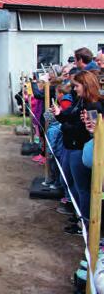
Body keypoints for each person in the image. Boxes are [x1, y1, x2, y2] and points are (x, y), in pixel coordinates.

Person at [51, 70, 104, 232]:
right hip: (74, 147)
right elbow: (74, 119)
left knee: (82, 189)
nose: (74, 89)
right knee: (76, 186)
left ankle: (86, 224)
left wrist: (63, 126)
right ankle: (82, 218)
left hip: (80, 149)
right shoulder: (81, 102)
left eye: (77, 86)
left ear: (86, 86)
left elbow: (92, 132)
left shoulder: (93, 106)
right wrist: (60, 116)